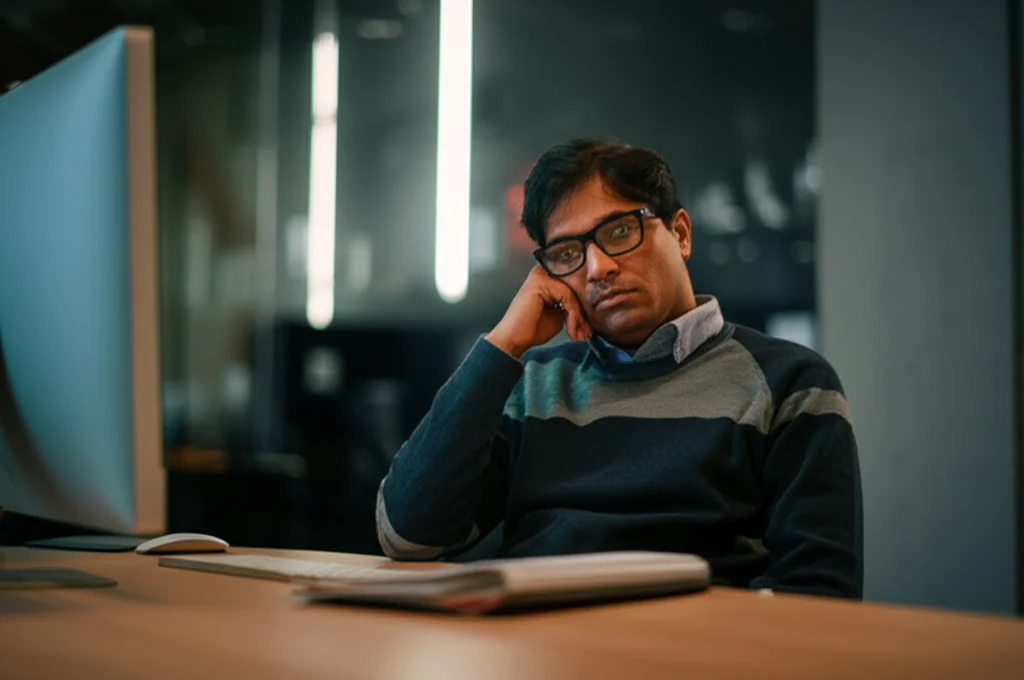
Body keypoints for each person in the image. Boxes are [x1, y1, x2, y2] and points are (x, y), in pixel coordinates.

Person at [376, 138, 863, 599]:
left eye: (619, 231)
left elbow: (817, 597)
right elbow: (408, 538)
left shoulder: (789, 383)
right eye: (568, 253)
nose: (597, 268)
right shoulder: (532, 386)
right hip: (532, 647)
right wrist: (504, 343)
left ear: (680, 233)